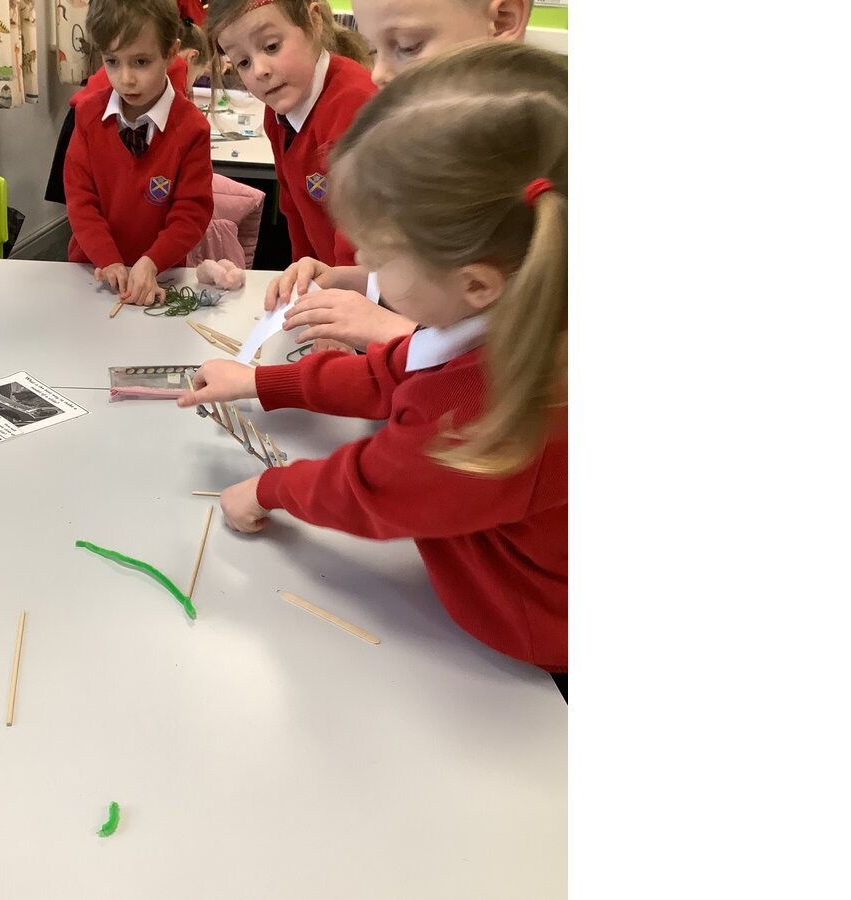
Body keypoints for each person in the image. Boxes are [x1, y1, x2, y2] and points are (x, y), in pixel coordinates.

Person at [176, 40, 568, 694]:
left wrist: (269, 489)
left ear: (476, 282)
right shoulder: (503, 318)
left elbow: (367, 488)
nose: (364, 268)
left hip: (531, 640)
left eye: (383, 260)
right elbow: (387, 373)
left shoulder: (479, 410)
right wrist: (260, 381)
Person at [261, 0, 540, 353]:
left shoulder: (531, 160)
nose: (377, 74)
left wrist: (391, 329)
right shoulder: (446, 143)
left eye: (408, 46)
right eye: (374, 50)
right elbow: (445, 283)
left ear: (501, 21)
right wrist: (354, 281)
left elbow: (508, 358)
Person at [64, 0, 215, 305]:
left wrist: (153, 261)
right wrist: (108, 259)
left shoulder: (192, 128)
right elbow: (81, 201)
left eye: (141, 62)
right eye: (112, 61)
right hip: (93, 273)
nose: (125, 79)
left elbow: (191, 213)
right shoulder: (88, 115)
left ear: (171, 53)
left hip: (162, 277)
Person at [207, 0, 377, 267]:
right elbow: (294, 208)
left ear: (314, 21)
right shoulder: (278, 114)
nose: (260, 70)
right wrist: (302, 274)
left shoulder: (353, 103)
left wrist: (332, 285)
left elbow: (359, 231)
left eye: (272, 46)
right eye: (243, 62)